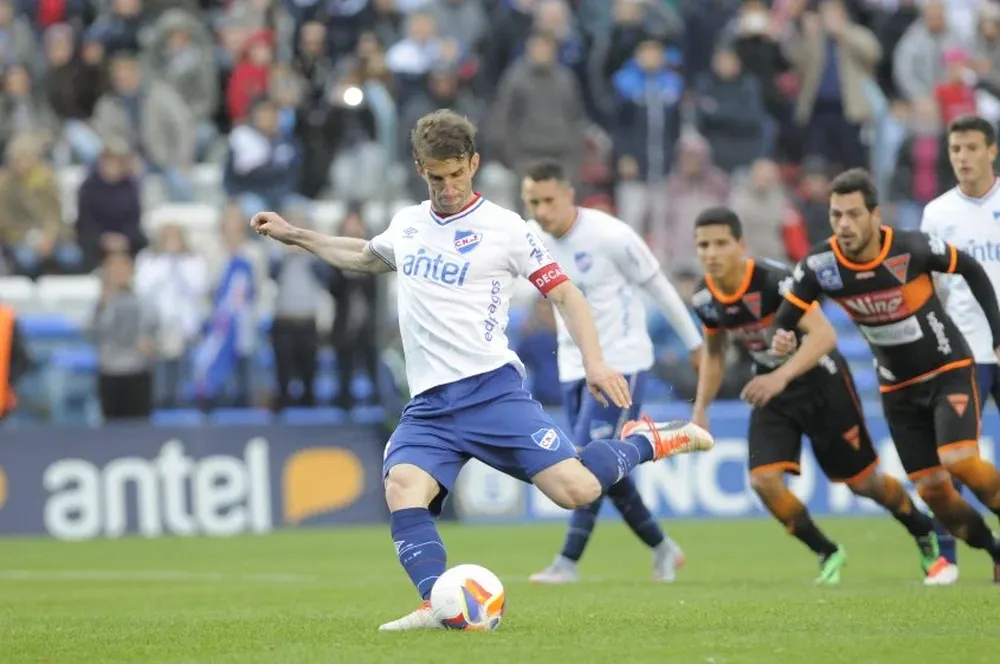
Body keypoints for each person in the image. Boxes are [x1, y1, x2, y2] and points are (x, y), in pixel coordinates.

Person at [250, 110, 715, 631]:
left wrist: (595, 362)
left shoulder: (507, 229)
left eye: (456, 174)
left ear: (473, 163)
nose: (447, 188)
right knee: (403, 487)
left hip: (492, 392)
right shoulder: (408, 224)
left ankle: (648, 440)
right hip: (428, 405)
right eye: (435, 177)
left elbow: (565, 293)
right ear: (419, 169)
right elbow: (364, 255)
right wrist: (296, 235)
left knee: (577, 491)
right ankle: (438, 604)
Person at [688, 206, 945, 585]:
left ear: (740, 245)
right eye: (703, 245)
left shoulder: (775, 281)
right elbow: (714, 352)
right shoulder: (703, 299)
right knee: (763, 481)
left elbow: (825, 336)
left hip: (820, 381)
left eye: (720, 243)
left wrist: (782, 376)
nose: (711, 253)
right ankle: (827, 551)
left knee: (864, 483)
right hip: (772, 389)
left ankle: (922, 528)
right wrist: (700, 410)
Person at [773, 168, 1000, 585]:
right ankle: (995, 550)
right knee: (934, 492)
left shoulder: (910, 248)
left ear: (876, 216)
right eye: (836, 214)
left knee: (959, 460)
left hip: (947, 369)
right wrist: (783, 337)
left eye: (853, 214)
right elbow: (788, 315)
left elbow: (969, 268)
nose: (843, 225)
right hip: (897, 390)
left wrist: (997, 335)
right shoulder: (821, 266)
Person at [520, 159, 703, 584]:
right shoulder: (530, 238)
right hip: (572, 364)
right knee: (606, 471)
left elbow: (658, 285)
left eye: (548, 200)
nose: (542, 210)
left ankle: (567, 563)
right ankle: (662, 547)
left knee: (585, 464)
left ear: (569, 195)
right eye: (533, 202)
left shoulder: (610, 235)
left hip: (622, 361)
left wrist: (695, 342)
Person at [920, 114, 1000, 577]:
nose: (963, 158)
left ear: (991, 151)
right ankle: (945, 557)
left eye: (971, 148)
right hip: (965, 350)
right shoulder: (938, 213)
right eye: (955, 150)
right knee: (953, 458)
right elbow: (932, 287)